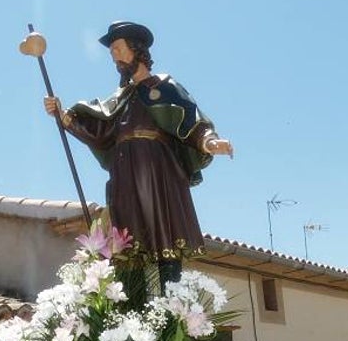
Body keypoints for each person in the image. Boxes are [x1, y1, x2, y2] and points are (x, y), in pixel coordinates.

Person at [44, 21, 232, 274]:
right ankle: (130, 309)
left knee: (164, 236)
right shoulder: (121, 98)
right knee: (127, 244)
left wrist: (209, 141)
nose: (115, 57)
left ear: (137, 49)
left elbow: (190, 118)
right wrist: (63, 115)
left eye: (119, 49)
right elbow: (101, 132)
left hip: (157, 170)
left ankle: (171, 306)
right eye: (112, 53)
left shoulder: (164, 86)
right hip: (124, 172)